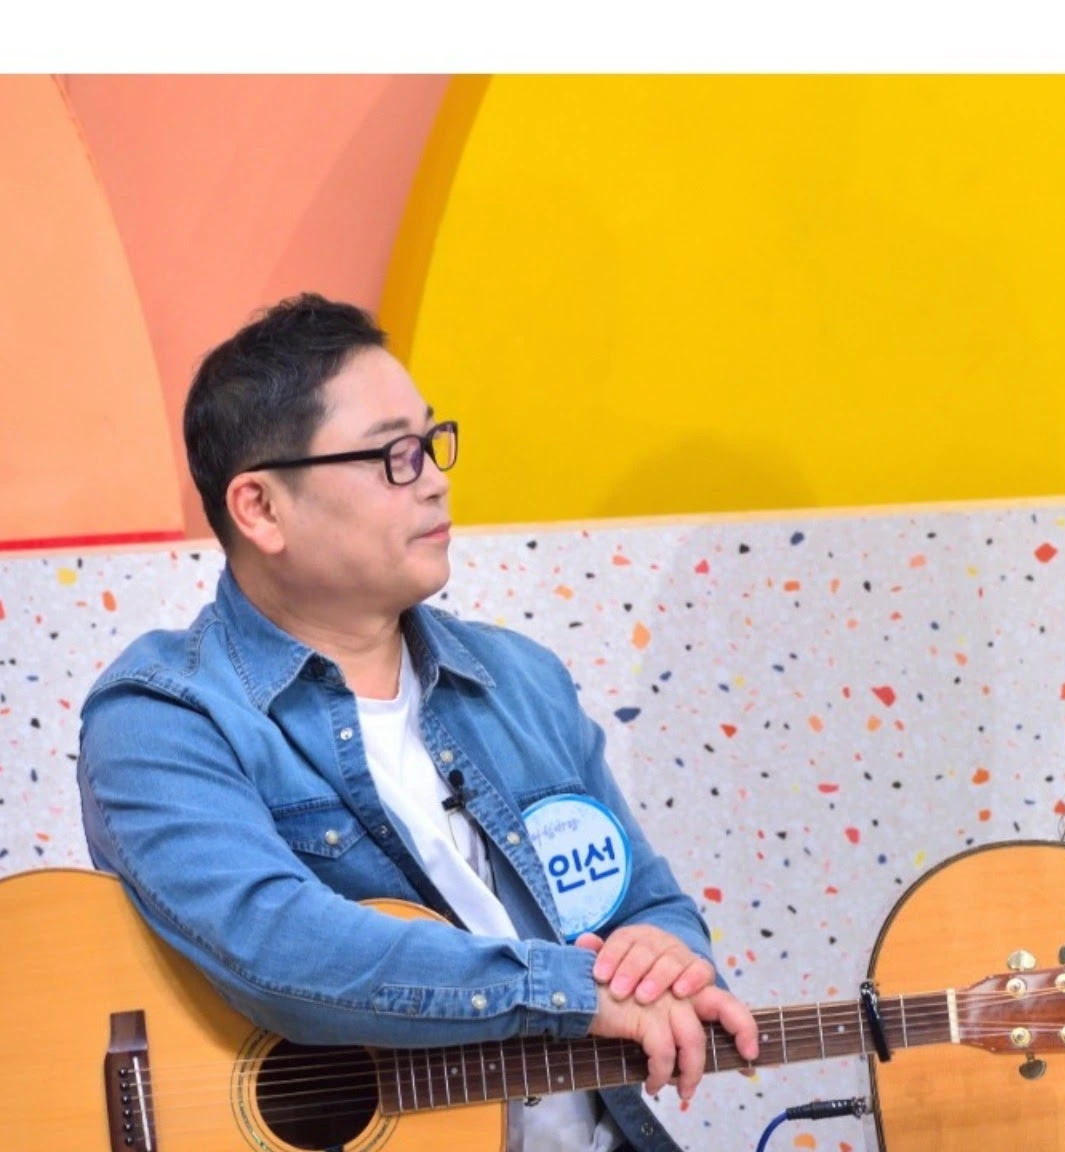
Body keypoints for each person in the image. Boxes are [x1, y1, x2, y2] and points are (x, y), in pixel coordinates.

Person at [76, 294, 759, 1152]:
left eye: (433, 444)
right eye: (393, 456)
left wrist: (663, 950)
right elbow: (277, 945)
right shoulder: (163, 714)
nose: (435, 479)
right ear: (260, 509)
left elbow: (643, 899)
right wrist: (568, 992)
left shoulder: (520, 680)